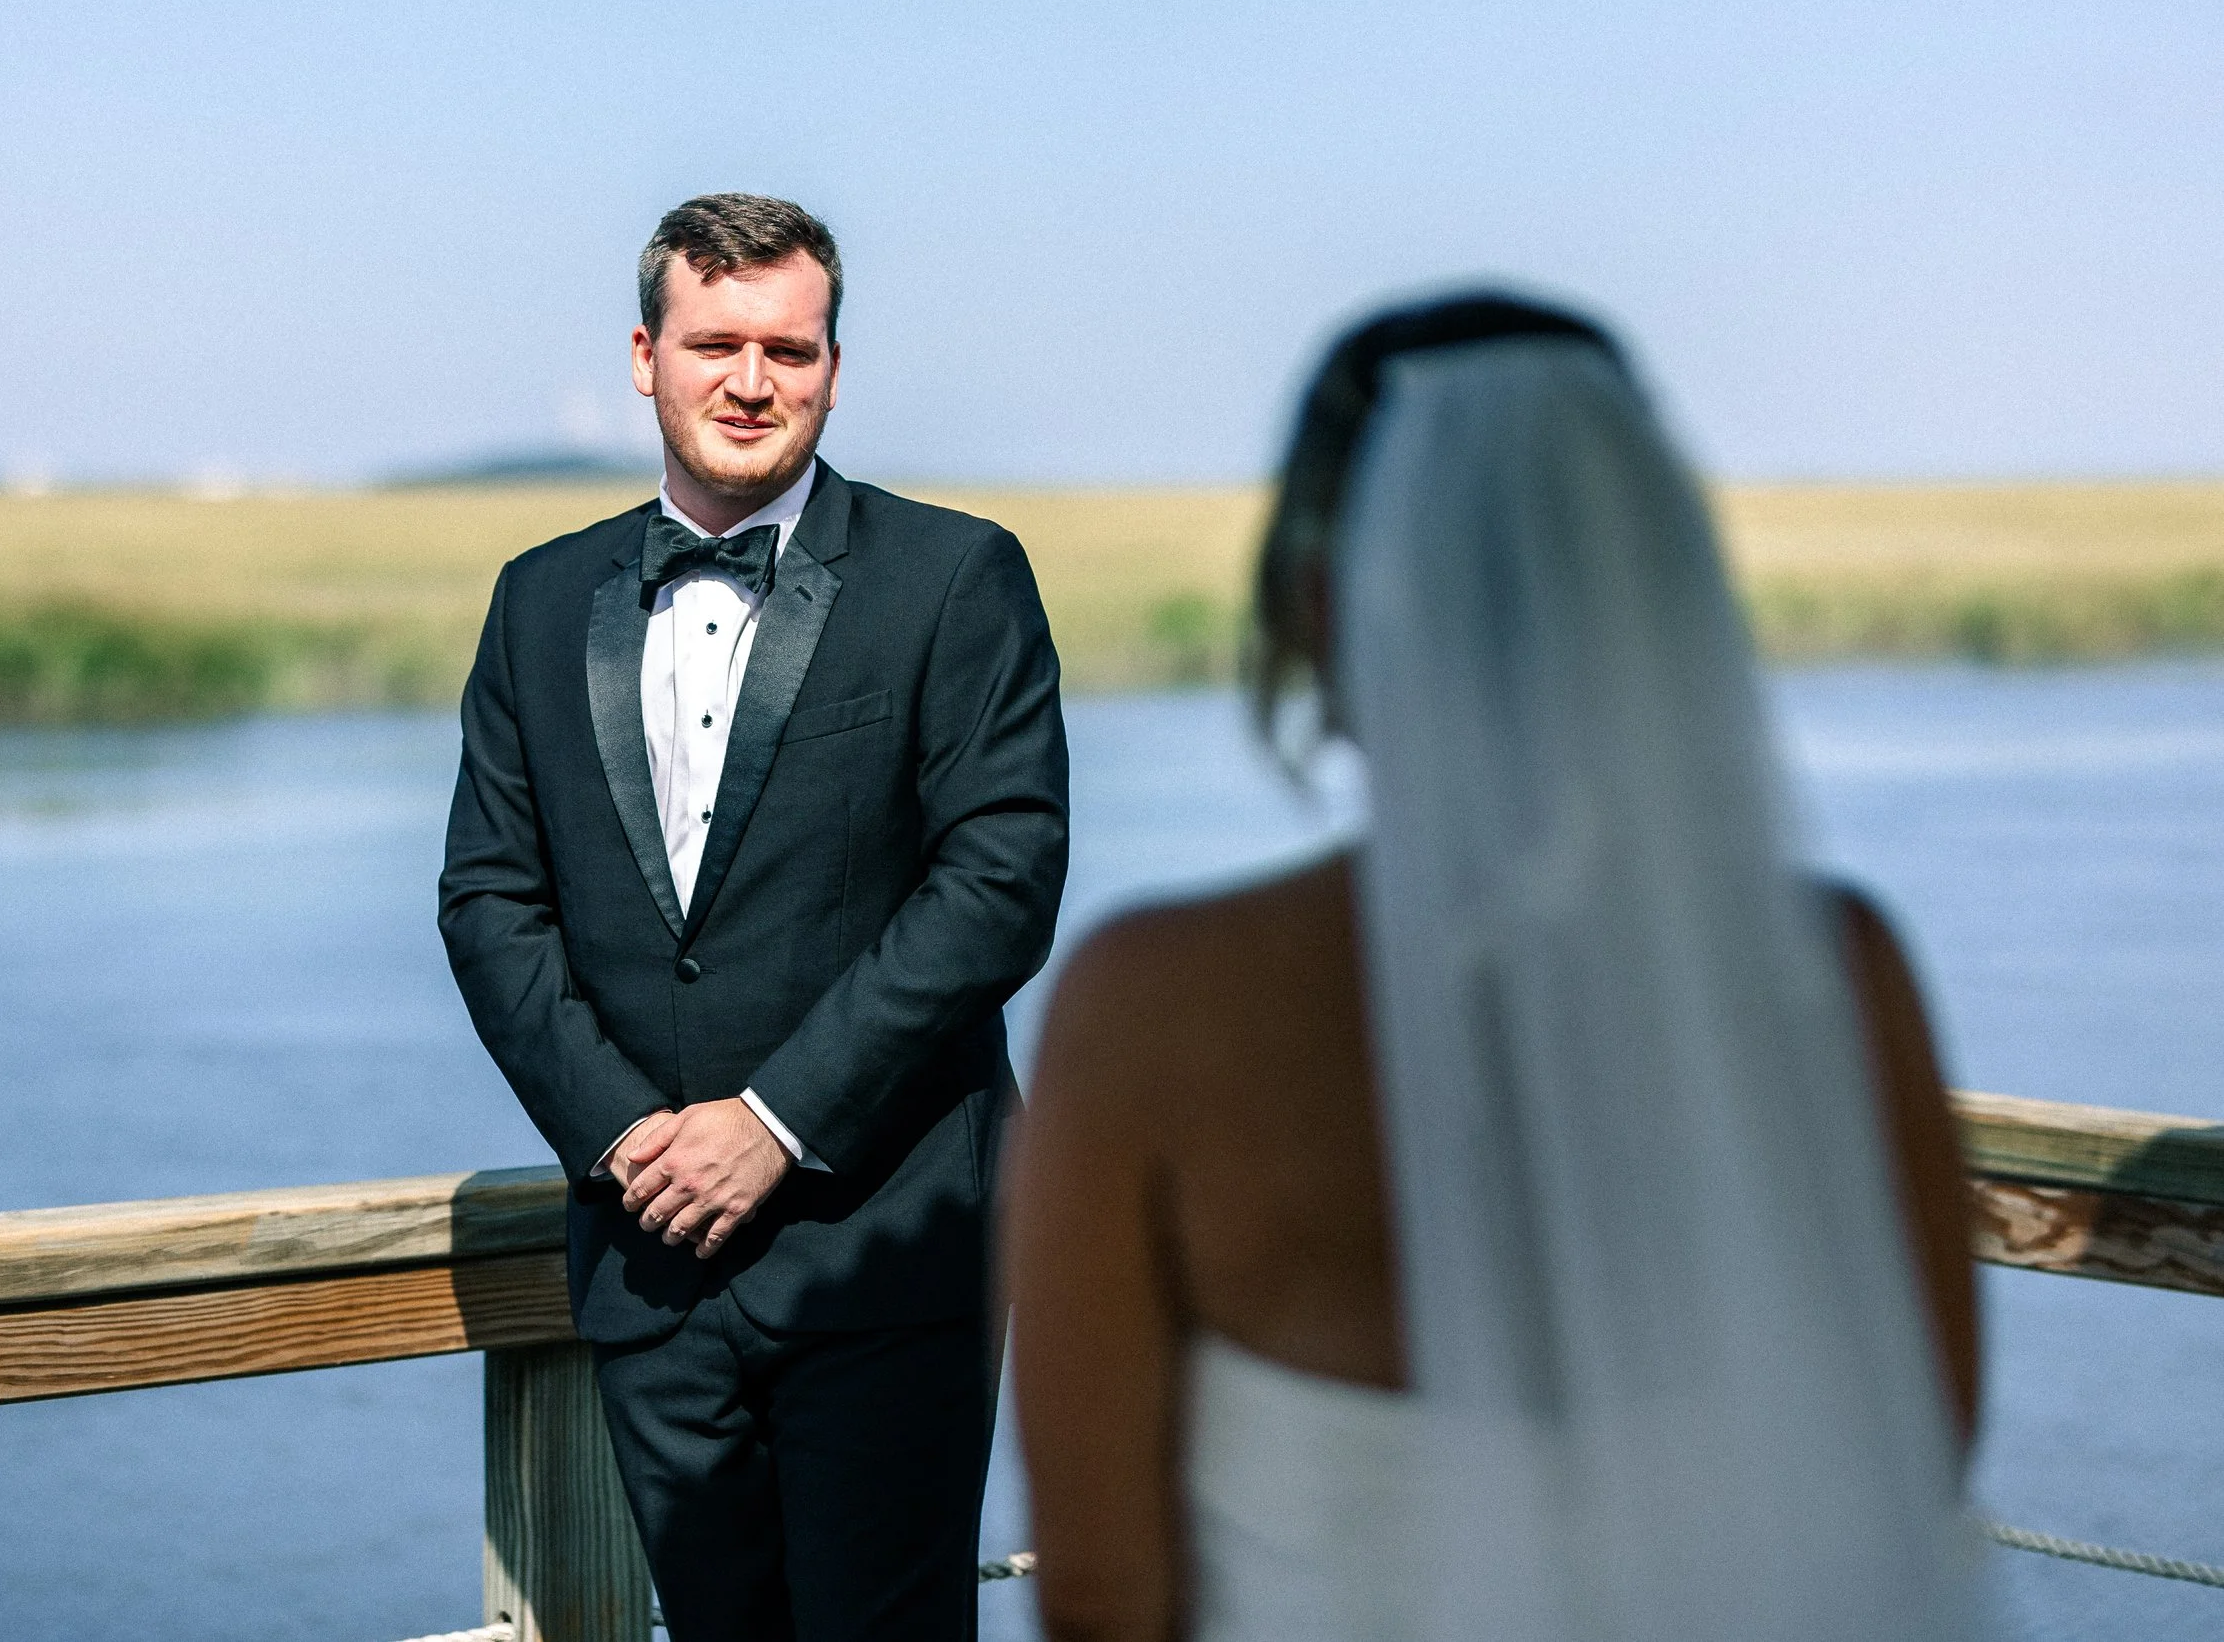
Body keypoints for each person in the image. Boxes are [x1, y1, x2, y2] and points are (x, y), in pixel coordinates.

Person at [1008, 295, 1982, 1642]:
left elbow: (1105, 1599)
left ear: (1319, 604)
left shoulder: (1149, 1013)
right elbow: (1913, 1467)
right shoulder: (1837, 978)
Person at [439, 193, 1068, 1642]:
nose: (751, 379)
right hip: (648, 1256)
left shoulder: (954, 576)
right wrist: (621, 1135)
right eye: (716, 342)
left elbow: (999, 882)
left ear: (834, 368)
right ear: (646, 355)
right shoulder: (536, 601)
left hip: (887, 1251)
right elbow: (488, 895)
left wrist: (771, 1120)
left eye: (789, 348)